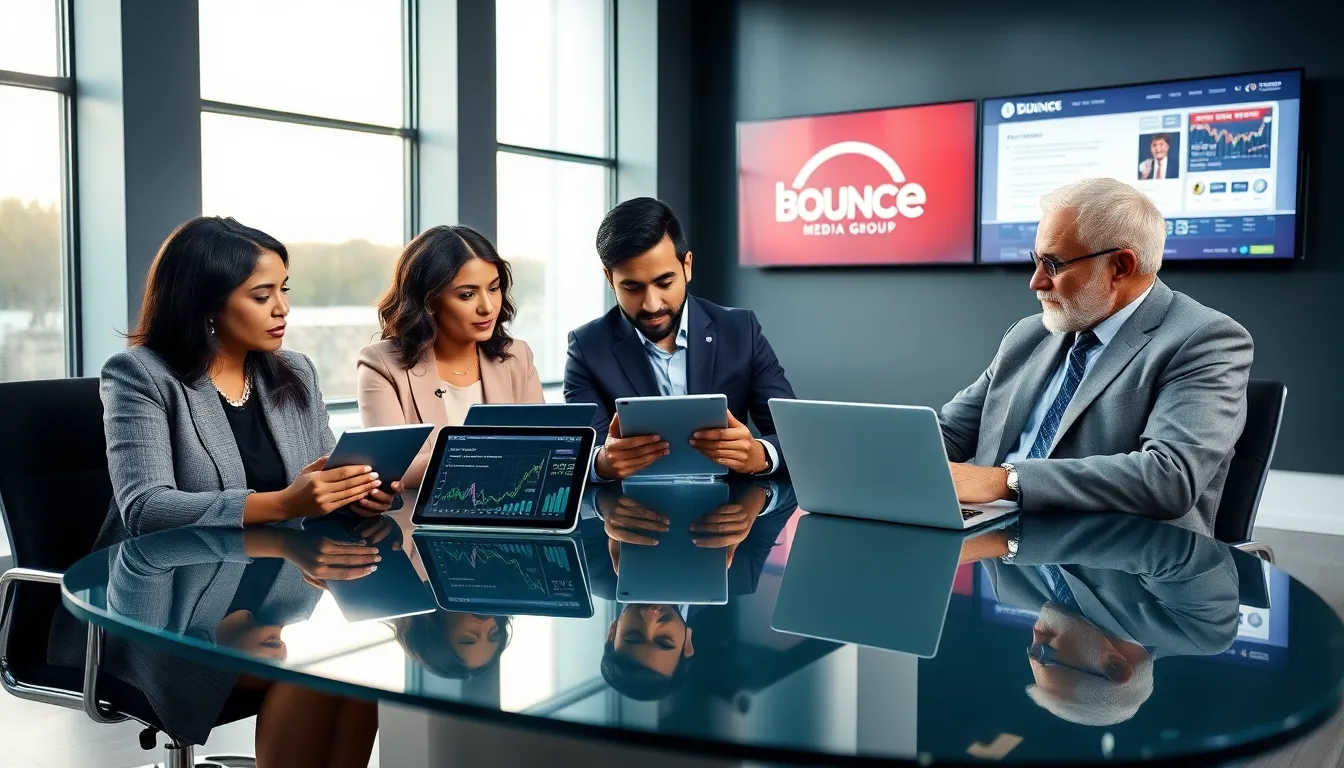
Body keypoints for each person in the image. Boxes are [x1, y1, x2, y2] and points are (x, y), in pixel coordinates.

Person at [938, 178, 1252, 535]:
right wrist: (885, 456)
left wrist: (1004, 482)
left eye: (1053, 265)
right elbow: (950, 433)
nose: (1036, 282)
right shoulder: (1027, 335)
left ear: (1120, 266)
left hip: (1118, 563)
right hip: (997, 540)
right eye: (1035, 261)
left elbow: (1168, 478)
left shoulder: (1205, 340)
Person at [98, 216, 401, 543]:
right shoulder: (140, 375)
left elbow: (322, 481)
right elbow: (146, 509)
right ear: (207, 304)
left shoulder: (298, 371)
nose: (282, 308)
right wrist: (284, 503)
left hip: (281, 577)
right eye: (261, 296)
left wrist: (355, 495)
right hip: (169, 580)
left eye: (283, 289)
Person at [565, 197, 796, 481]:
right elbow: (578, 452)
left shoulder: (740, 330)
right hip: (633, 514)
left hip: (730, 514)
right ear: (610, 279)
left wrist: (760, 455)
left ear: (687, 266)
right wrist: (601, 463)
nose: (651, 304)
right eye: (632, 287)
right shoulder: (586, 348)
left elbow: (794, 436)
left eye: (664, 283)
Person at [960, 512, 1239, 726]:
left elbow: (974, 512)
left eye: (1029, 652)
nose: (1035, 639)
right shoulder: (1199, 631)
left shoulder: (1009, 589)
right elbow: (1167, 544)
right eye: (1044, 654)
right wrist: (1015, 543)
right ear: (1115, 665)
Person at [357, 225, 544, 488]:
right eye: (467, 295)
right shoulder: (381, 364)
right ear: (429, 302)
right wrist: (494, 457)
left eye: (493, 288)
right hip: (419, 520)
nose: (487, 307)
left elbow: (544, 446)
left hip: (510, 507)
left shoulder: (516, 356)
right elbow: (393, 466)